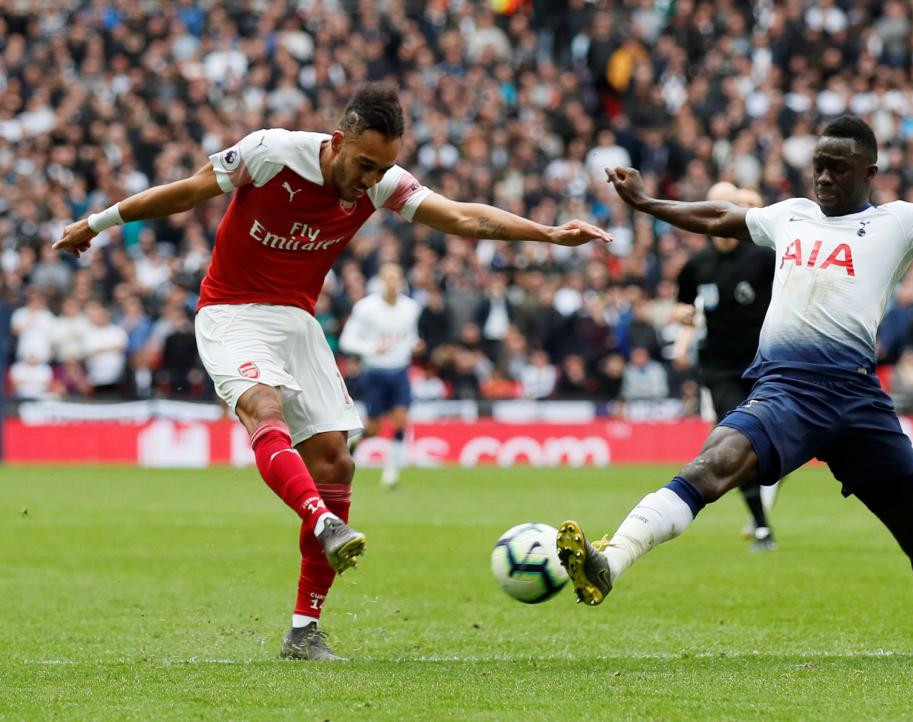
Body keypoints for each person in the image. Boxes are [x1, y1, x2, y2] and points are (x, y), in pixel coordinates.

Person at [54, 82, 610, 660]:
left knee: (336, 460)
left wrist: (546, 234)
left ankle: (303, 631)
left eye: (384, 167)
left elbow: (466, 218)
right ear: (338, 141)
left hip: (298, 323)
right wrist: (98, 223)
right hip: (231, 313)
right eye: (365, 164)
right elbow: (190, 191)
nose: (371, 179)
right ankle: (324, 522)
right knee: (262, 407)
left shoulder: (383, 184)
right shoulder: (272, 151)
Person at [556, 115, 913, 656]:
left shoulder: (899, 223)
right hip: (785, 391)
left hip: (858, 401)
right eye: (818, 166)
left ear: (870, 172)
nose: (823, 178)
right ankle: (612, 560)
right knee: (711, 465)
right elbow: (720, 214)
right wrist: (649, 204)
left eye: (837, 169)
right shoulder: (791, 216)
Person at [675, 181, 780, 552]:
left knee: (766, 442)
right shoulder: (696, 265)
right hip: (719, 366)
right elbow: (682, 303)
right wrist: (682, 313)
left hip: (764, 364)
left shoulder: (763, 258)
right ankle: (762, 524)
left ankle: (765, 495)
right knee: (732, 442)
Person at [339, 262, 421, 489]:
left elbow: (409, 336)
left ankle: (391, 474)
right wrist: (372, 349)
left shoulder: (411, 308)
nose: (393, 282)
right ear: (381, 282)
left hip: (400, 370)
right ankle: (356, 443)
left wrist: (415, 344)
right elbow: (348, 341)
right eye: (388, 277)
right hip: (375, 371)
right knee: (374, 427)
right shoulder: (366, 308)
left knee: (400, 420)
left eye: (397, 277)